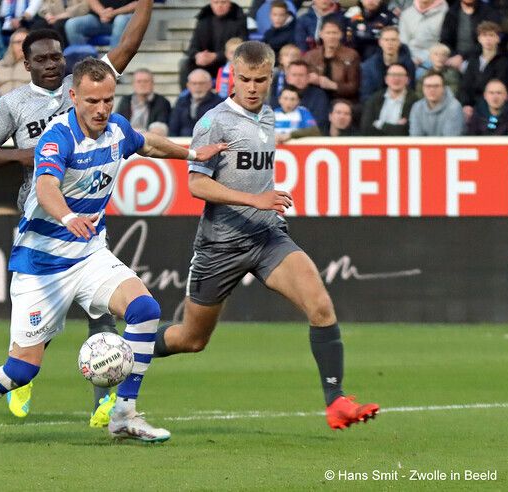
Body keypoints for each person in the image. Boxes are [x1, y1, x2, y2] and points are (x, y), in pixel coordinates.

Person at [0, 57, 226, 445]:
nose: (101, 109)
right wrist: (68, 216)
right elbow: (48, 186)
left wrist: (191, 154)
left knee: (145, 309)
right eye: (92, 101)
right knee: (20, 370)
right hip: (41, 265)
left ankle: (124, 414)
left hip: (88, 254)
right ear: (73, 97)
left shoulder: (116, 128)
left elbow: (147, 143)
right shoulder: (58, 138)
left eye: (107, 100)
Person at [151, 41, 379, 431]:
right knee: (191, 339)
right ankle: (124, 350)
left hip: (267, 236)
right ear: (232, 78)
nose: (253, 87)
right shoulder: (213, 122)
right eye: (245, 80)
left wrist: (261, 204)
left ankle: (336, 400)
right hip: (220, 244)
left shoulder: (270, 116)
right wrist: (253, 198)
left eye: (260, 80)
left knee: (321, 306)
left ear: (271, 77)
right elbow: (196, 185)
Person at [0, 0, 154, 426]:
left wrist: (144, 6)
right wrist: (28, 155)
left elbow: (126, 47)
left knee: (104, 315)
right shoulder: (13, 104)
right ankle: (23, 376)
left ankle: (104, 405)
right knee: (39, 332)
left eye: (57, 56)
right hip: (40, 224)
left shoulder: (85, 87)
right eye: (42, 59)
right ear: (26, 62)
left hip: (85, 222)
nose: (52, 64)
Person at [179, 0, 247, 88]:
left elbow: (242, 47)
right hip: (205, 64)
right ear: (211, 3)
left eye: (223, 2)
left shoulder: (238, 18)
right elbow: (193, 47)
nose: (219, 6)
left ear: (229, 3)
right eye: (216, 2)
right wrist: (197, 55)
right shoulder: (203, 18)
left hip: (227, 61)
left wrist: (216, 56)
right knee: (185, 64)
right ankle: (187, 97)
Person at [458, 21, 508, 121]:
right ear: (479, 39)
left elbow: (499, 85)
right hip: (472, 104)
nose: (488, 39)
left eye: (491, 35)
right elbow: (466, 85)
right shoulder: (473, 60)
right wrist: (466, 104)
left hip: (491, 104)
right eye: (484, 35)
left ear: (498, 38)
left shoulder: (504, 61)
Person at [303, 18, 360, 102]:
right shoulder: (310, 56)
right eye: (328, 33)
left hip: (341, 100)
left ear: (341, 35)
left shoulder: (351, 55)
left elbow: (354, 87)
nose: (331, 36)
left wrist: (332, 85)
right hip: (316, 99)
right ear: (321, 34)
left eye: (335, 33)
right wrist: (310, 79)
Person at [439, 0, 499, 72]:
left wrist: (462, 57)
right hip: (453, 56)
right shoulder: (452, 11)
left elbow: (488, 41)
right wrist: (453, 56)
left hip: (478, 56)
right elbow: (445, 39)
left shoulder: (487, 11)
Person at [359, 26, 416, 100]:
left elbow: (411, 91)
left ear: (399, 42)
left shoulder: (408, 64)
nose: (390, 43)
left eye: (393, 40)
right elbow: (366, 95)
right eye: (386, 40)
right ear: (380, 42)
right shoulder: (369, 66)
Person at [361, 63, 417, 135]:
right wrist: (395, 127)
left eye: (400, 75)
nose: (396, 78)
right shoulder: (374, 99)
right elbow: (365, 128)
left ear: (407, 80)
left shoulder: (415, 101)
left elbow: (406, 131)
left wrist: (380, 124)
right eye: (392, 75)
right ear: (386, 79)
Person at [270, 59, 329, 128]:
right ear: (287, 78)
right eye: (294, 75)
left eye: (301, 75)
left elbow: (319, 121)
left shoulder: (319, 95)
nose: (298, 79)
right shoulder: (280, 94)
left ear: (308, 78)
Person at [169, 68, 223, 137]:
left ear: (210, 84)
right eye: (194, 83)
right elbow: (173, 127)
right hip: (182, 142)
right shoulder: (181, 101)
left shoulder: (219, 103)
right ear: (188, 85)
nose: (198, 87)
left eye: (201, 83)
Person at [398, 0, 448, 73]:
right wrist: (411, 59)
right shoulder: (406, 14)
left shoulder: (445, 14)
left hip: (434, 58)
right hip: (410, 57)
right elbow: (403, 42)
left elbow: (444, 43)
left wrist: (423, 58)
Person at [409, 71, 464, 136]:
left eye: (436, 86)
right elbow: (415, 138)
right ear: (423, 88)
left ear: (443, 88)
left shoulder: (454, 107)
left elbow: (450, 140)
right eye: (428, 86)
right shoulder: (417, 107)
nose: (432, 89)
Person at [65, 0, 137, 49]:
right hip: (100, 18)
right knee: (72, 25)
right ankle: (84, 64)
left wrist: (114, 13)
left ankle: (113, 64)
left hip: (125, 17)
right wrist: (102, 13)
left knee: (120, 20)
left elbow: (138, 4)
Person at [0, 28, 32, 96]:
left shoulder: (36, 64)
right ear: (12, 45)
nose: (22, 45)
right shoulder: (1, 64)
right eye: (18, 42)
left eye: (25, 41)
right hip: (1, 102)